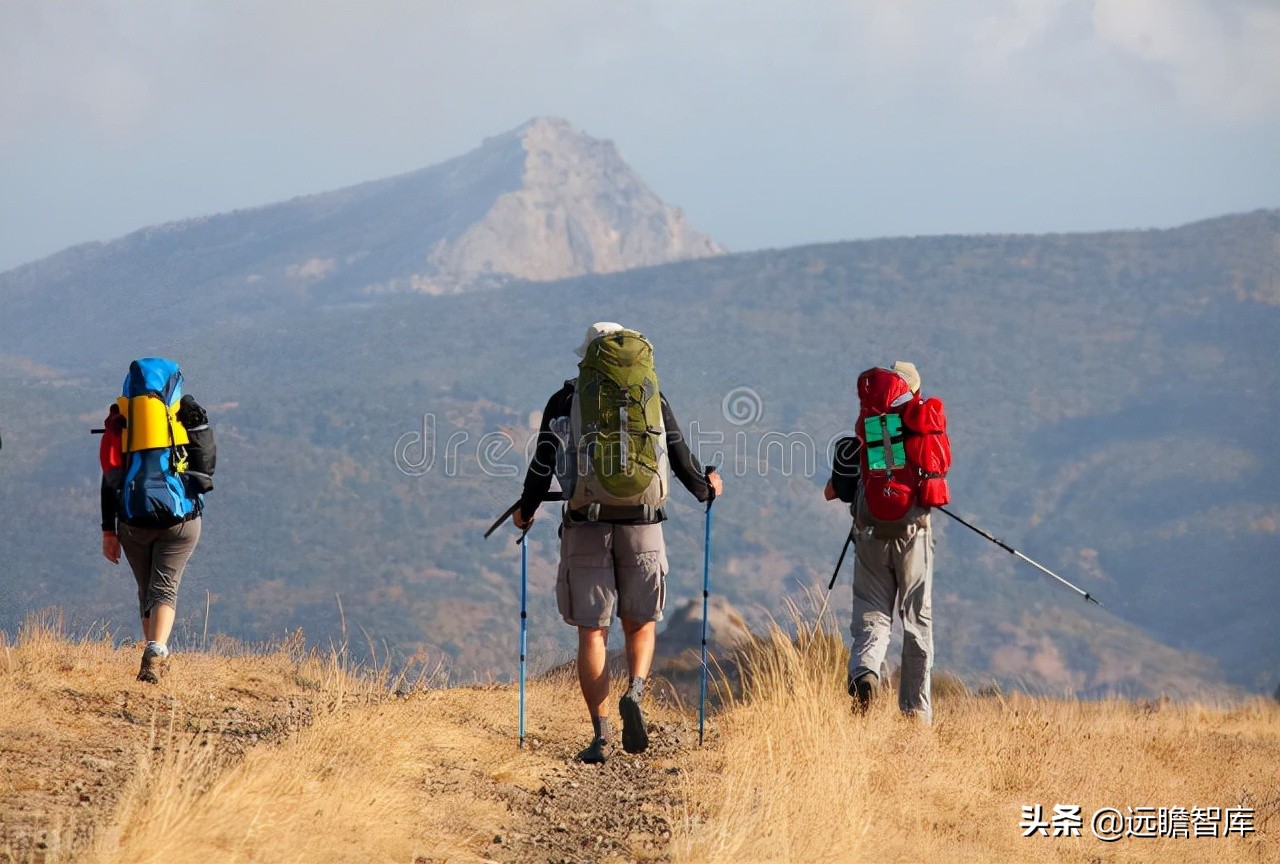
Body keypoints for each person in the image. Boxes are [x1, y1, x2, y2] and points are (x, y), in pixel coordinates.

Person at [515, 322, 723, 763]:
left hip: (585, 523)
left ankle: (601, 735)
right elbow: (682, 458)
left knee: (593, 631)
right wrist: (708, 487)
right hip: (644, 522)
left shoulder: (565, 400)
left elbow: (541, 467)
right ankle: (637, 691)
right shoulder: (650, 395)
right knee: (641, 622)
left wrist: (527, 509)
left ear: (587, 356)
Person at [825, 360, 947, 725]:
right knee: (916, 620)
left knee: (872, 611)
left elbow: (834, 492)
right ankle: (915, 713)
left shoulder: (858, 439)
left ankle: (865, 671)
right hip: (914, 534)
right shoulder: (920, 431)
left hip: (869, 534)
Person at [100, 362, 213, 684]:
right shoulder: (187, 417)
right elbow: (206, 475)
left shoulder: (120, 422)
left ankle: (152, 653)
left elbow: (110, 481)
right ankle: (156, 649)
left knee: (145, 589)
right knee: (165, 587)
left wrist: (108, 530)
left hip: (133, 520)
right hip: (182, 521)